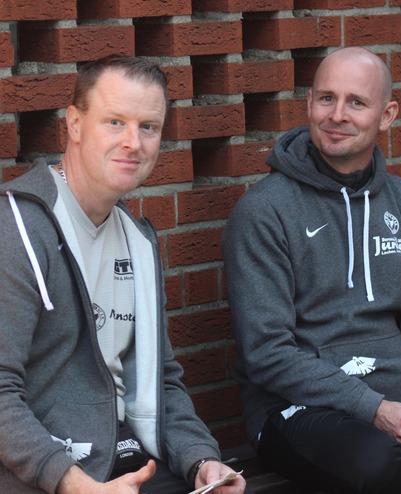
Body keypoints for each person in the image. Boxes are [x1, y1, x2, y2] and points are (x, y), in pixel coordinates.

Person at [222, 47, 401, 493]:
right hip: (298, 412)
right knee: (384, 466)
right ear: (309, 103)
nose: (337, 115)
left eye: (356, 102)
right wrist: (376, 411)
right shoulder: (264, 211)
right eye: (326, 98)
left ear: (387, 115)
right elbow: (268, 352)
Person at [0, 55, 246, 494]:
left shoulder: (137, 239)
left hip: (126, 455)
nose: (133, 142)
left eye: (148, 127)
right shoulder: (16, 228)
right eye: (115, 122)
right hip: (46, 473)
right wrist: (74, 484)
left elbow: (161, 380)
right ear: (75, 124)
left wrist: (201, 459)